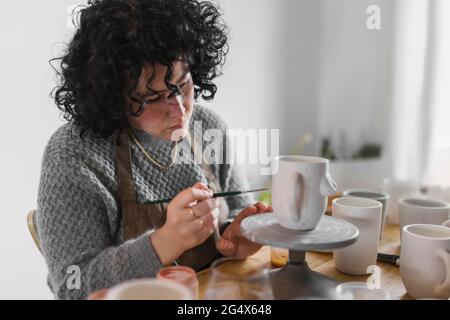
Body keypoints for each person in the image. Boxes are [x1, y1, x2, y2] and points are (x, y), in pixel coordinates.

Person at [36, 0, 271, 300]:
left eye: (182, 84)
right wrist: (164, 242)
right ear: (111, 94)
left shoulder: (208, 127)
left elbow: (238, 207)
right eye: (154, 97)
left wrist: (237, 235)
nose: (179, 110)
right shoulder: (73, 155)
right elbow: (73, 286)